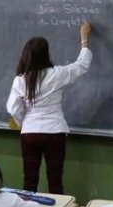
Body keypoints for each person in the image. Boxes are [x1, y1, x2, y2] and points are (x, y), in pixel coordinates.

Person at [6, 23, 93, 195]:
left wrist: (25, 123)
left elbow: (13, 108)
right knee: (55, 180)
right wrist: (84, 40)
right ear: (46, 55)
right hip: (55, 132)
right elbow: (81, 66)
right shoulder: (56, 74)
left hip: (30, 134)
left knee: (29, 180)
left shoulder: (20, 80)